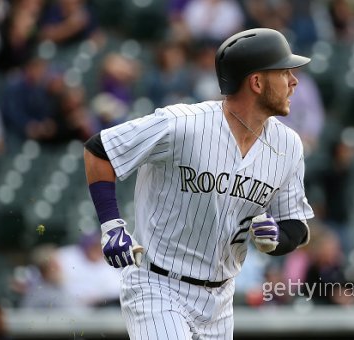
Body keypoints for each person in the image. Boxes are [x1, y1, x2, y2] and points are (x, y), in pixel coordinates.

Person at [83, 28, 314, 339]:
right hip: (157, 285)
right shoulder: (183, 124)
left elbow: (296, 226)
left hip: (220, 300)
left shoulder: (288, 145)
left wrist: (277, 239)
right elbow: (100, 149)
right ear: (257, 83)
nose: (294, 81)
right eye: (284, 72)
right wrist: (111, 225)